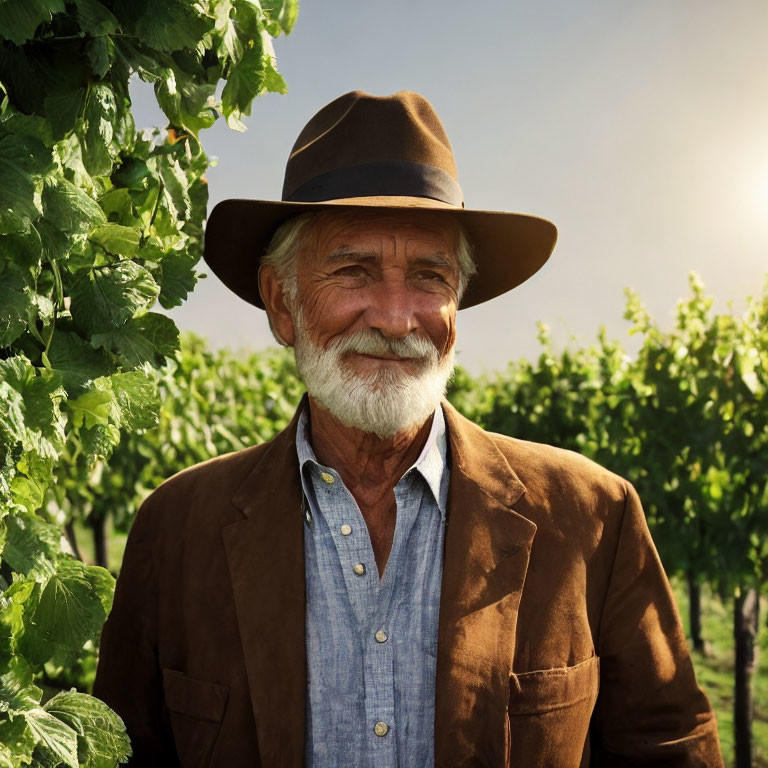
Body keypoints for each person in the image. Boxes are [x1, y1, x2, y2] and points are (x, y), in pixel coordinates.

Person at [93, 90, 723, 767]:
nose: (397, 318)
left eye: (429, 276)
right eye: (353, 270)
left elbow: (670, 746)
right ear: (283, 303)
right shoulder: (177, 529)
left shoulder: (593, 518)